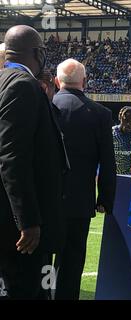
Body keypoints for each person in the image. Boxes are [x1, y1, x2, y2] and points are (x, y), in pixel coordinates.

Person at [0, 25, 69, 299]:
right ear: (38, 53)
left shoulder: (5, 80)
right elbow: (12, 157)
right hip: (21, 228)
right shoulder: (22, 85)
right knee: (28, 289)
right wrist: (27, 220)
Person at [52, 58, 116, 300]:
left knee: (41, 258)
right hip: (80, 201)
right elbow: (108, 162)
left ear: (57, 81)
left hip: (45, 199)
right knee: (72, 260)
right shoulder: (100, 114)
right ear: (85, 81)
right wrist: (105, 199)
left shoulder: (45, 107)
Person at [112, 106, 131, 175]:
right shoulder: (111, 133)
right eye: (125, 120)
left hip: (129, 175)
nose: (128, 124)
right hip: (112, 174)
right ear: (120, 118)